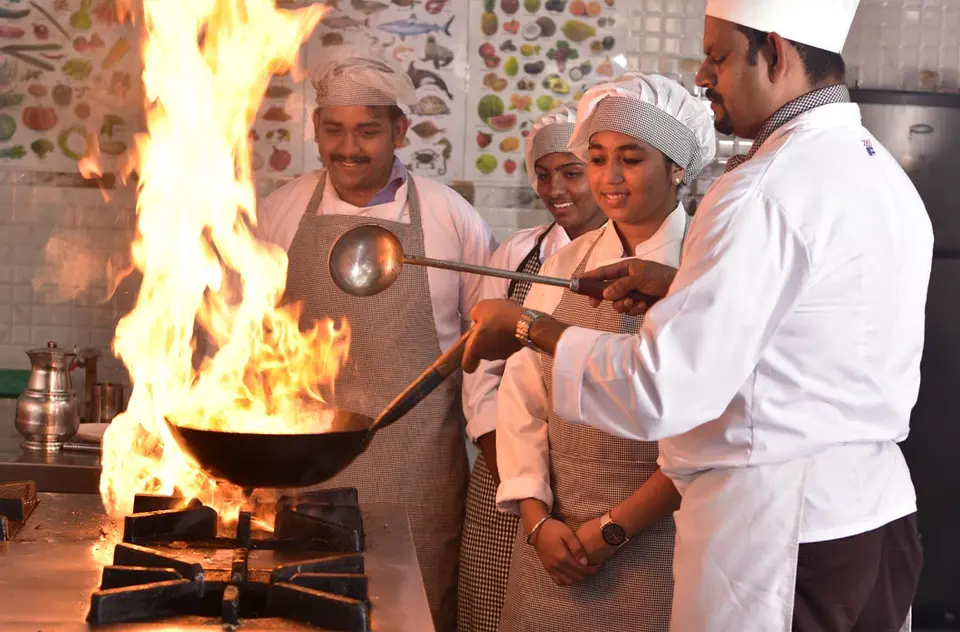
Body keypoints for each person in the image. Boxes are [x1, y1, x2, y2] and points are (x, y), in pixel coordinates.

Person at [460, 0, 930, 630]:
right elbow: (807, 325)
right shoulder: (876, 169)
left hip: (782, 536)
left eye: (718, 56)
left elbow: (664, 388)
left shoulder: (762, 188)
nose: (703, 76)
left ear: (776, 50)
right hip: (871, 516)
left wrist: (525, 327)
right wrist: (682, 285)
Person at [255, 50, 495, 632]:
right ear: (315, 129)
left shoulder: (449, 218)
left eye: (367, 130)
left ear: (399, 130)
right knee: (299, 614)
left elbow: (485, 355)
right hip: (302, 470)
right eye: (333, 129)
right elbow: (250, 344)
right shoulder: (281, 211)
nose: (348, 147)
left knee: (412, 613)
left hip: (419, 471)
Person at [493, 74, 715, 632]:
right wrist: (537, 519)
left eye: (631, 159)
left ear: (678, 168)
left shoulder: (705, 266)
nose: (608, 178)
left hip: (660, 539)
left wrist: (611, 530)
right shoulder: (567, 264)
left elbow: (709, 423)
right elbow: (523, 395)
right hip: (556, 543)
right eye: (596, 157)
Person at [458, 103, 607, 632]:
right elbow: (481, 376)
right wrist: (516, 479)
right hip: (504, 473)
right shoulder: (519, 253)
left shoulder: (632, 262)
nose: (555, 189)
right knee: (492, 610)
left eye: (571, 172)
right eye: (543, 175)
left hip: (592, 482)